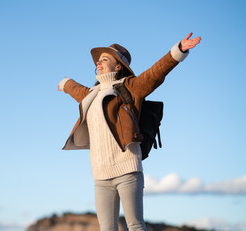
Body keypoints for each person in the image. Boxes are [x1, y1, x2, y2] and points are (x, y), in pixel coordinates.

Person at [57, 33, 201, 231]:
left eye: (105, 59)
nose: (98, 62)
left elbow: (155, 74)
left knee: (134, 226)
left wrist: (178, 51)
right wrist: (65, 83)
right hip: (100, 175)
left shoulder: (130, 88)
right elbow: (76, 90)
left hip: (127, 171)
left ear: (118, 66)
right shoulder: (91, 94)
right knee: (107, 229)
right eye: (98, 60)